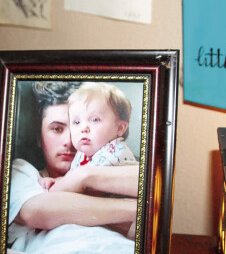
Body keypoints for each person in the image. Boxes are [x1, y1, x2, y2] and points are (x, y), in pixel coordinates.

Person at [8, 81, 139, 253]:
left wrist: (84, 175)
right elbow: (36, 211)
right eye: (57, 128)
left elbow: (152, 184)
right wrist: (133, 210)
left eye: (93, 122)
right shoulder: (24, 172)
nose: (71, 140)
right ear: (39, 138)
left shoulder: (114, 157)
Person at [68, 82, 138, 169]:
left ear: (120, 128)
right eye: (77, 122)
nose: (83, 128)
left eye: (95, 120)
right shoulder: (82, 154)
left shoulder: (114, 153)